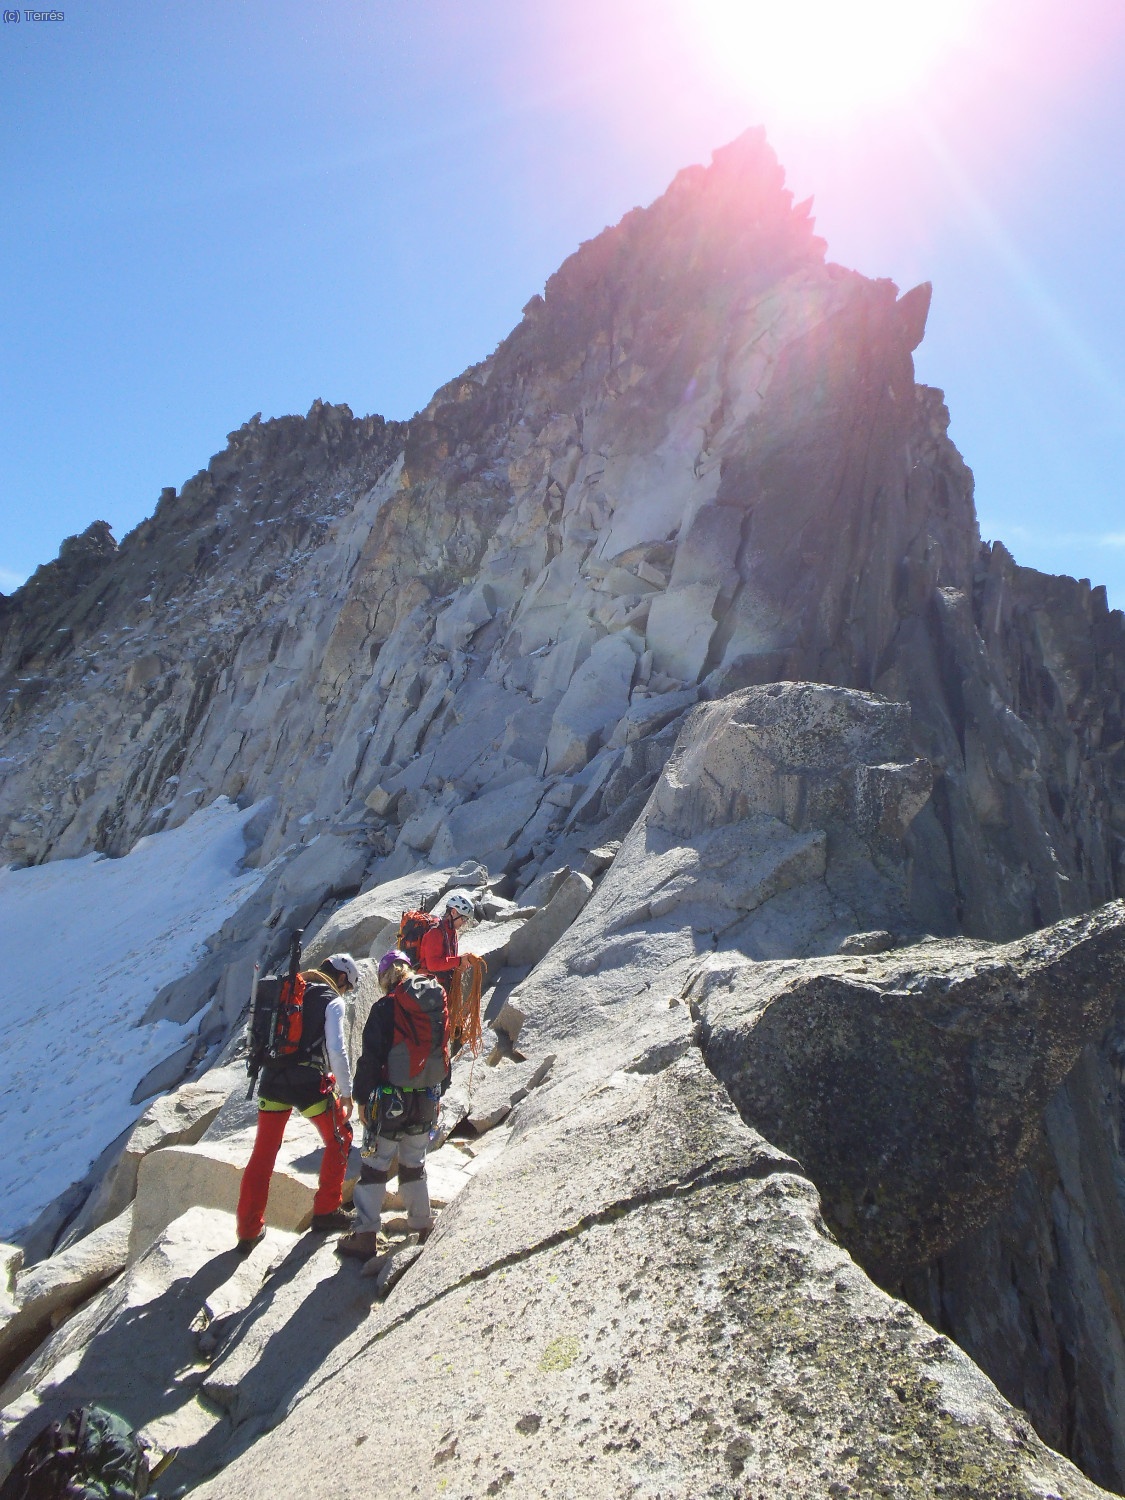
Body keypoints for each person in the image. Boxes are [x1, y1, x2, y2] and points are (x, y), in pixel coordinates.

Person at [235, 952, 359, 1253]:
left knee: (263, 1153)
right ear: (342, 977)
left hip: (271, 1079)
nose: (344, 991)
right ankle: (327, 1210)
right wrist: (346, 1092)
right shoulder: (332, 999)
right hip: (307, 1084)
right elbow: (337, 1050)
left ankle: (248, 1229)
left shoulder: (288, 990)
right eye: (347, 986)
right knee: (341, 1137)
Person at [337, 949, 449, 1262]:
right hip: (426, 1096)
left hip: (390, 1101)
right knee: (414, 1162)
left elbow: (370, 1058)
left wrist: (361, 1098)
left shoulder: (386, 1007)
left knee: (375, 1166)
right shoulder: (434, 1002)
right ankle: (422, 1225)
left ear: (385, 976)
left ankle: (366, 1235)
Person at [416, 890, 475, 994]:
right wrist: (459, 961)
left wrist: (460, 961)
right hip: (428, 989)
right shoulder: (435, 932)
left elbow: (448, 959)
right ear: (453, 912)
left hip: (442, 985)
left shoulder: (451, 932)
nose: (464, 922)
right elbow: (433, 965)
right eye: (463, 918)